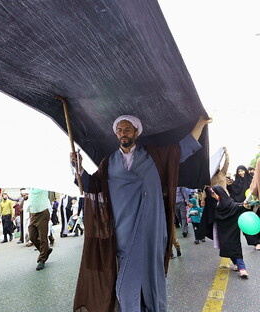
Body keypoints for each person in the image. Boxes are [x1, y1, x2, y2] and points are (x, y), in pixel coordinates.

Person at [72, 115, 211, 312]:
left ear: (136, 132)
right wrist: (77, 168)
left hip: (151, 229)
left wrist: (201, 124)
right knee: (125, 284)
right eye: (119, 130)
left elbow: (181, 149)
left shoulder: (155, 157)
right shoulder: (108, 162)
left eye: (127, 129)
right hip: (122, 230)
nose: (123, 133)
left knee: (150, 276)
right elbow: (92, 187)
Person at [210, 186, 249, 278]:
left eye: (214, 193)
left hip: (232, 230)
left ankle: (242, 269)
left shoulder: (231, 204)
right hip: (222, 230)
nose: (212, 196)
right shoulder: (216, 204)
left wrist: (245, 205)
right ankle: (236, 263)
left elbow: (239, 206)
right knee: (226, 247)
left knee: (235, 247)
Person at [23, 188, 53, 271]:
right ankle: (45, 250)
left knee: (43, 237)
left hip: (43, 213)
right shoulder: (31, 189)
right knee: (32, 236)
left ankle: (41, 260)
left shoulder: (43, 187)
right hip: (33, 214)